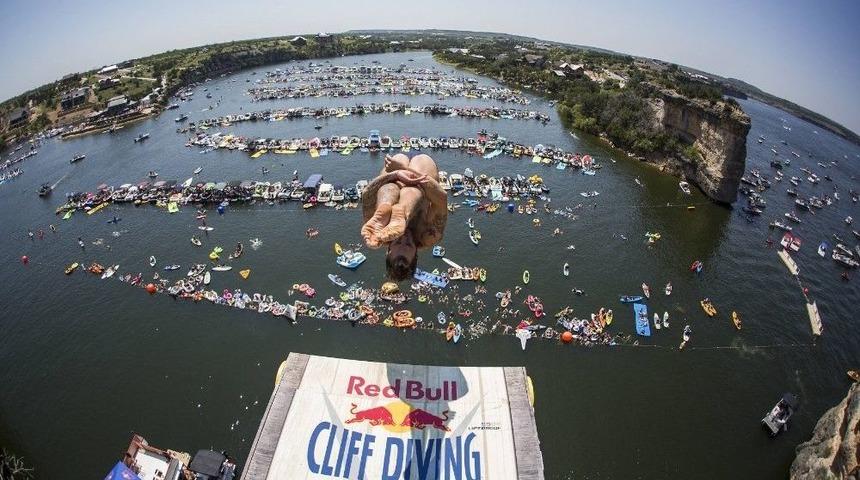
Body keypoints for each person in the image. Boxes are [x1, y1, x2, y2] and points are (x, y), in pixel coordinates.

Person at [361, 153, 447, 281]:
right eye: (408, 244)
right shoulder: (428, 236)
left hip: (394, 176)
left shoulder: (376, 232)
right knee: (413, 191)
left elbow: (367, 194)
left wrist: (395, 173)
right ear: (416, 253)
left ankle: (386, 207)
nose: (403, 236)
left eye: (397, 241)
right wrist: (404, 169)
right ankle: (403, 214)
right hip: (421, 168)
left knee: (389, 187)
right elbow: (442, 198)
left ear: (388, 250)